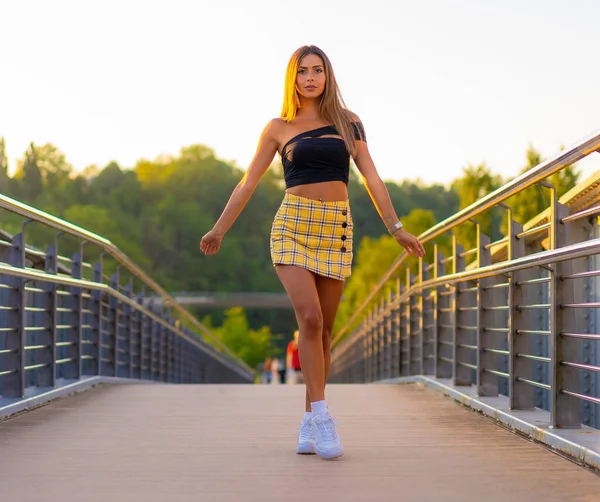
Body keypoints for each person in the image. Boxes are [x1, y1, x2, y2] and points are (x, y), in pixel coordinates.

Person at [200, 45, 425, 460]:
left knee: (325, 332)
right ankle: (322, 416)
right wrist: (219, 228)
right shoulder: (277, 127)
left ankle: (307, 418)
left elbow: (372, 179)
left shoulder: (349, 122)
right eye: (302, 71)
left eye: (317, 70)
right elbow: (247, 183)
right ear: (293, 78)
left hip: (336, 228)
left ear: (327, 75)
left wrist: (396, 228)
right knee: (309, 316)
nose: (310, 77)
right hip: (292, 227)